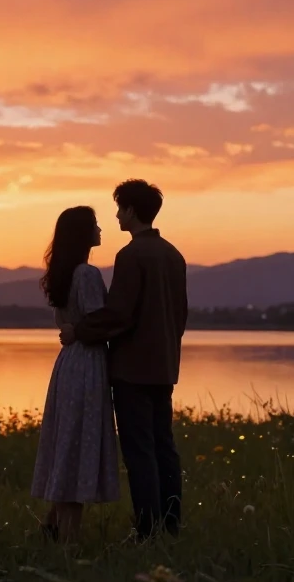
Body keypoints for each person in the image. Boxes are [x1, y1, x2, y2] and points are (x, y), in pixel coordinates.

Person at [59, 179, 188, 539]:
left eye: (119, 208)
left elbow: (119, 313)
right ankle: (171, 525)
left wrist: (79, 331)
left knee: (139, 451)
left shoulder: (131, 255)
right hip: (164, 367)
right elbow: (180, 315)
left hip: (132, 370)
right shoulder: (173, 255)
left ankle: (147, 530)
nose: (116, 216)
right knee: (164, 447)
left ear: (131, 210)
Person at [30, 205, 120, 542]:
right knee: (78, 442)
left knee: (67, 440)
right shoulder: (86, 274)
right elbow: (98, 323)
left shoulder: (63, 274)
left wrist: (75, 330)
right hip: (87, 364)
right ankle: (69, 541)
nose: (100, 229)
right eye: (95, 225)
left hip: (68, 363)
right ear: (82, 233)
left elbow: (69, 322)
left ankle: (52, 526)